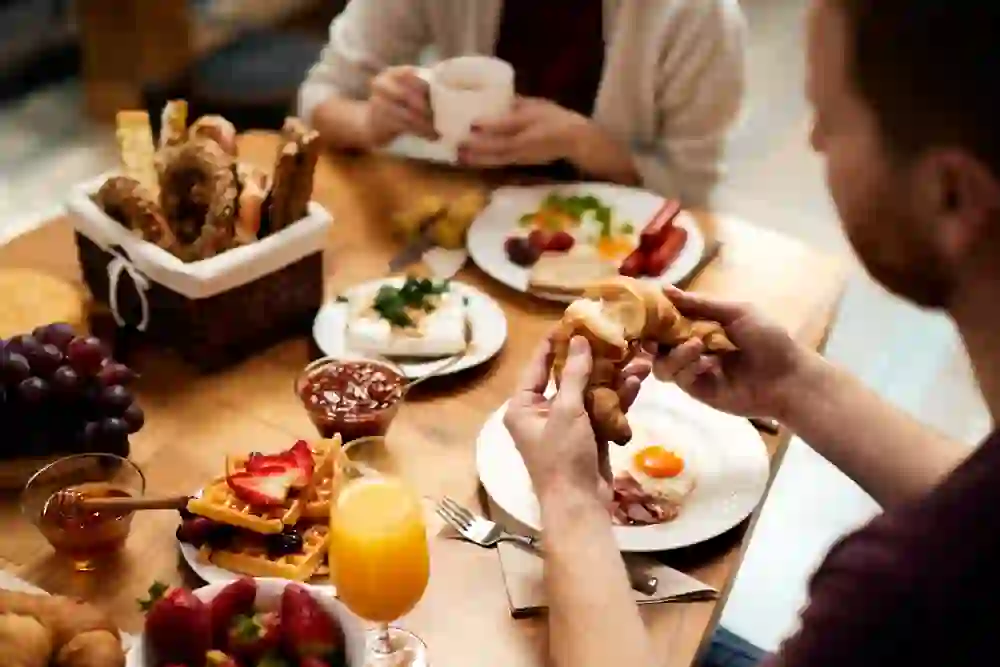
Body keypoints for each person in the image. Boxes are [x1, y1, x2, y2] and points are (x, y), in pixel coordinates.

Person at [504, 1, 1000, 666]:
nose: (814, 141)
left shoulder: (901, 596)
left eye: (830, 116)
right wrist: (797, 385)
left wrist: (569, 503)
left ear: (952, 196)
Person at [298, 0, 746, 205]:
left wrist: (585, 144)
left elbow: (694, 194)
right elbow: (319, 97)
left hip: (627, 266)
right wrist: (371, 122)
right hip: (477, 239)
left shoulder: (696, 14)